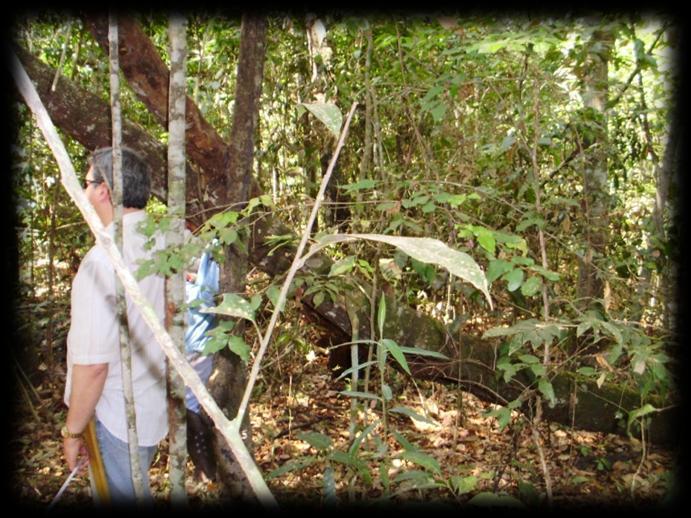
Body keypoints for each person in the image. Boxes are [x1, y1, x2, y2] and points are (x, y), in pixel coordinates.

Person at [62, 146, 167, 503]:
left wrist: (72, 431)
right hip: (149, 408)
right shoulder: (160, 243)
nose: (85, 191)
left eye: (88, 183)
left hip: (115, 417)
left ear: (104, 190)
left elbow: (93, 367)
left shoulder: (103, 260)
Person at [183, 247, 219, 481]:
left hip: (199, 340)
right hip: (192, 338)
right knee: (189, 403)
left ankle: (206, 468)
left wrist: (182, 289)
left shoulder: (218, 245)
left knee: (190, 403)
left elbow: (209, 296)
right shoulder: (211, 248)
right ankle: (204, 469)